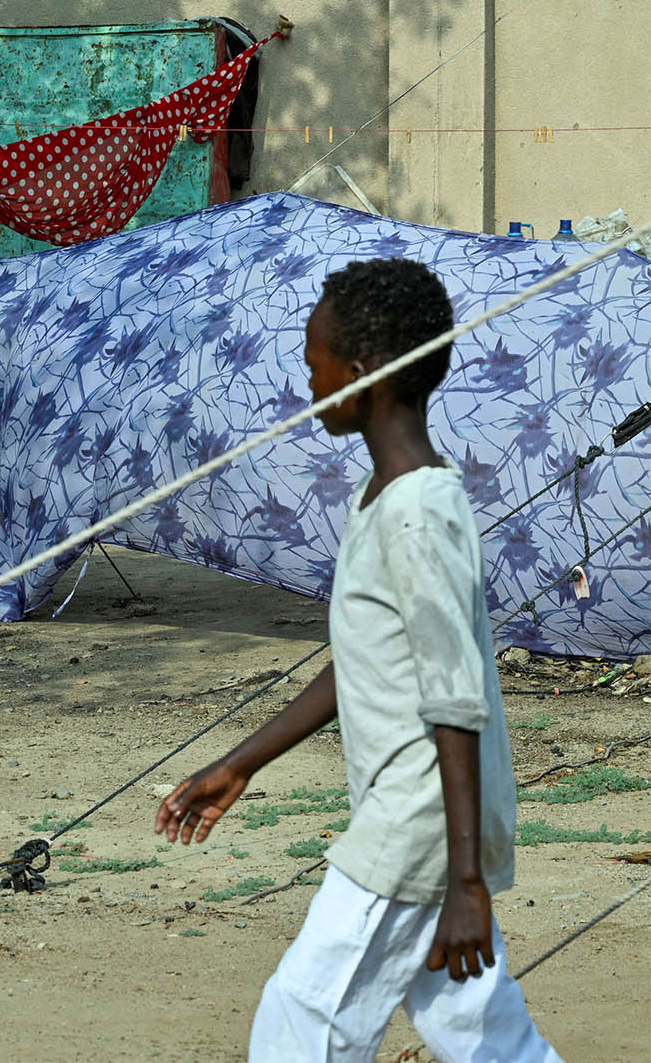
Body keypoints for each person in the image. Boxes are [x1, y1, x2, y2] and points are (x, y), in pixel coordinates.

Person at [154, 258, 561, 1062]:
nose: (309, 383)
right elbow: (363, 662)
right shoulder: (388, 495)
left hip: (419, 824)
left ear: (365, 371)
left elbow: (455, 696)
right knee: (481, 1033)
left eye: (316, 364)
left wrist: (466, 880)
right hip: (427, 823)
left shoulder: (416, 510)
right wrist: (241, 763)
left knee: (304, 1021)